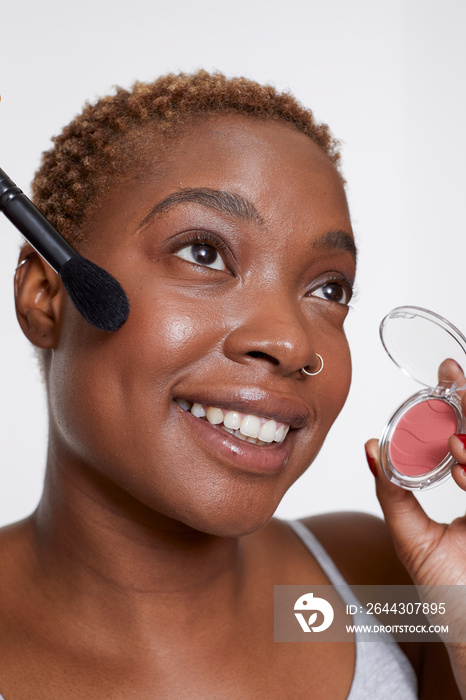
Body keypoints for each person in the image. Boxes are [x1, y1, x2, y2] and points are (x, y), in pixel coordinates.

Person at [2, 70, 465, 699]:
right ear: (46, 295)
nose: (292, 342)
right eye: (203, 253)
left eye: (329, 289)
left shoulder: (376, 584)